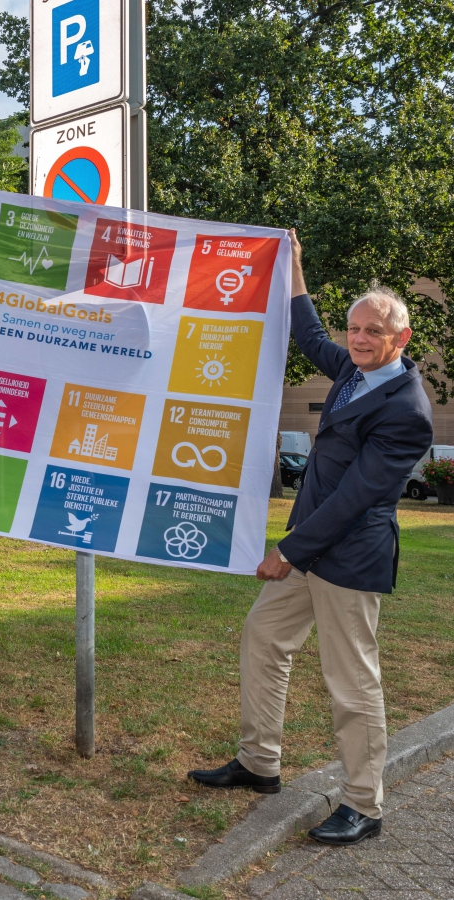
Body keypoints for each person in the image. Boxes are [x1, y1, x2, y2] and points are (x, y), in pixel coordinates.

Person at [189, 230, 433, 845]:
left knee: (352, 681)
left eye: (373, 331)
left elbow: (359, 497)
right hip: (310, 548)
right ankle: (259, 763)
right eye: (355, 328)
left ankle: (363, 805)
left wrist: (287, 551)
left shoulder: (407, 409)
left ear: (401, 338)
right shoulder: (353, 369)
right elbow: (309, 336)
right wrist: (293, 266)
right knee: (263, 635)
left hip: (347, 557)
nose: (358, 339)